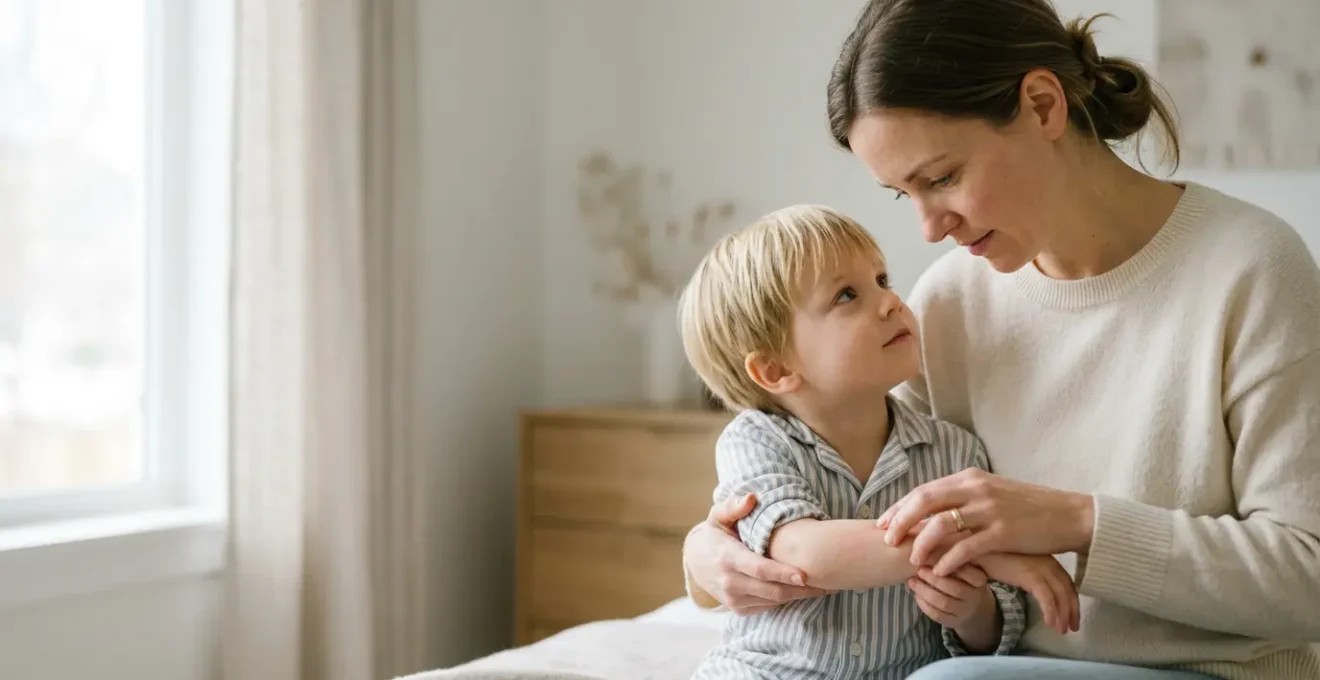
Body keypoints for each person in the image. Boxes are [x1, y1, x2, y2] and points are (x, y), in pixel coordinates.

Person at [681, 1, 1320, 679]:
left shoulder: (1251, 268)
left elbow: (1308, 577)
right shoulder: (950, 302)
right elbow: (847, 507)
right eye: (905, 194)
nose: (929, 227)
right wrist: (703, 556)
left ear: (1043, 106)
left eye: (943, 178)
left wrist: (1078, 522)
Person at [678, 204, 1080, 679]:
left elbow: (996, 625)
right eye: (847, 295)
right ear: (776, 370)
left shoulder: (955, 452)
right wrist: (984, 549)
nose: (891, 302)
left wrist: (975, 614)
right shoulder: (754, 441)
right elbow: (806, 554)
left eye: (882, 281)